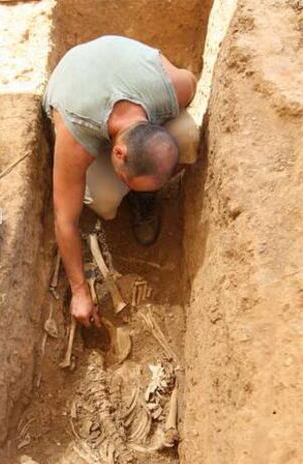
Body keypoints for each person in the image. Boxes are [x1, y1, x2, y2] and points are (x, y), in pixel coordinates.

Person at [43, 35, 198, 327]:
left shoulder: (171, 91)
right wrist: (79, 291)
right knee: (105, 200)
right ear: (118, 153)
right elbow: (65, 219)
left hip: (121, 64)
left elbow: (188, 77)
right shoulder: (76, 135)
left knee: (188, 137)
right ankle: (132, 192)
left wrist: (153, 65)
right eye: (130, 181)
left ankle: (145, 194)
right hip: (76, 83)